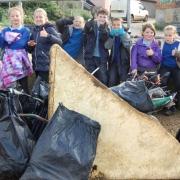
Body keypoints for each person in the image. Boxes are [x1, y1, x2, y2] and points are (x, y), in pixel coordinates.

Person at [0, 6, 33, 93]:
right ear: (9, 18)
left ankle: (26, 104)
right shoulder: (5, 30)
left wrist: (8, 40)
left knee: (24, 85)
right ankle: (11, 104)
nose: (15, 18)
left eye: (17, 16)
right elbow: (2, 44)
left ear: (21, 17)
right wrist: (4, 39)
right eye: (12, 16)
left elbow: (21, 44)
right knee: (9, 86)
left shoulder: (25, 30)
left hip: (21, 62)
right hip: (8, 63)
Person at [28, 8, 62, 82]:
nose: (38, 19)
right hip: (36, 66)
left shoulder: (50, 29)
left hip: (46, 66)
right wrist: (30, 45)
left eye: (40, 17)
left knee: (45, 89)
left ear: (46, 18)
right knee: (39, 89)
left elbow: (60, 42)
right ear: (34, 19)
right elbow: (30, 50)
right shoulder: (34, 31)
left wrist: (48, 35)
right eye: (36, 17)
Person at [84, 8, 109, 86]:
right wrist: (91, 22)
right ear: (97, 17)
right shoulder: (91, 24)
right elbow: (86, 32)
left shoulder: (107, 28)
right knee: (89, 78)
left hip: (101, 58)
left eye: (104, 17)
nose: (102, 18)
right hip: (90, 56)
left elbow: (104, 39)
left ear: (107, 18)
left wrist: (102, 27)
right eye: (100, 16)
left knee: (103, 79)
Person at [158, 25, 180, 114]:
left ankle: (175, 101)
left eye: (170, 35)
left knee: (178, 82)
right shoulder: (162, 43)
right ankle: (166, 104)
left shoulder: (178, 44)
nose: (168, 37)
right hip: (165, 66)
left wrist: (177, 54)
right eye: (166, 35)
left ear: (174, 35)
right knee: (162, 82)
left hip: (175, 67)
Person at [107, 17, 131, 87]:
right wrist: (111, 37)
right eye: (114, 25)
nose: (116, 26)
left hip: (123, 63)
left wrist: (123, 35)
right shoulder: (112, 35)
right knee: (111, 81)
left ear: (121, 25)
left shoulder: (126, 34)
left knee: (123, 82)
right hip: (114, 62)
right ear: (112, 26)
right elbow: (107, 46)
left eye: (118, 25)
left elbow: (128, 45)